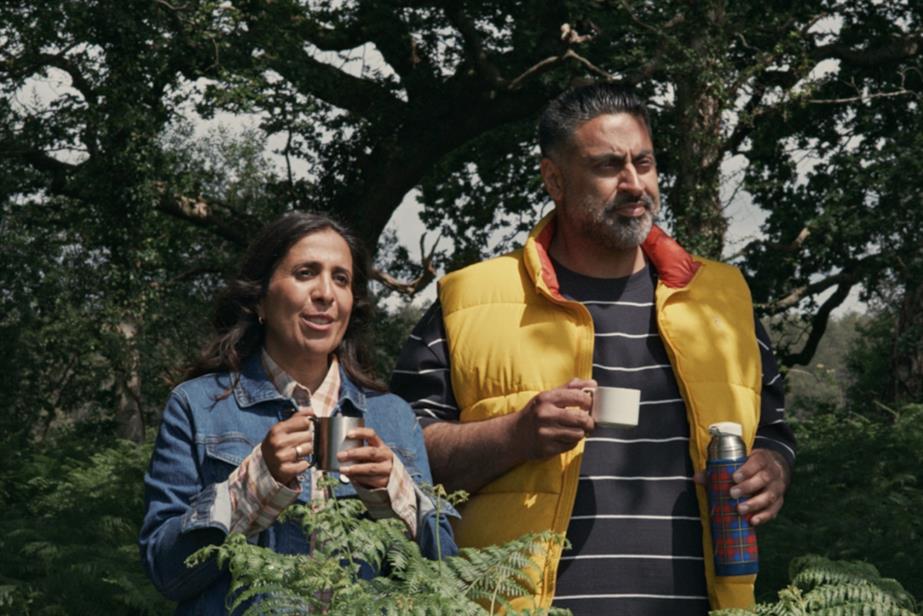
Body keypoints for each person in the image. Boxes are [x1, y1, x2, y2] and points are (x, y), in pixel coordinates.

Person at [390, 83, 795, 615]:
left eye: (644, 163)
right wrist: (515, 435)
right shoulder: (468, 300)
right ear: (554, 179)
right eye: (608, 166)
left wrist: (772, 468)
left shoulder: (723, 299)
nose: (634, 184)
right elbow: (402, 458)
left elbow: (774, 429)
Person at [140, 212, 456, 615]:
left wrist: (394, 495)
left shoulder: (392, 417)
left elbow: (444, 575)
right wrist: (253, 484)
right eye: (306, 273)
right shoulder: (196, 406)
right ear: (259, 300)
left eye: (340, 279)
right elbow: (166, 572)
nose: (326, 292)